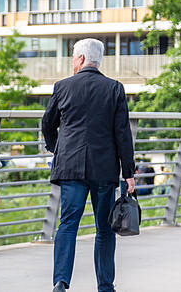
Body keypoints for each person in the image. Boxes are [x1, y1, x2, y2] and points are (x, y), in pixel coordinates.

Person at [42, 38, 136, 292]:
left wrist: (57, 149)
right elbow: (122, 134)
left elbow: (47, 125)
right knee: (104, 228)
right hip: (104, 169)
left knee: (68, 223)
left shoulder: (62, 87)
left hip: (70, 167)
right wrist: (128, 173)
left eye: (73, 56)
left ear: (82, 59)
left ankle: (60, 282)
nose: (72, 61)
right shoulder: (114, 88)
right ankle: (105, 286)